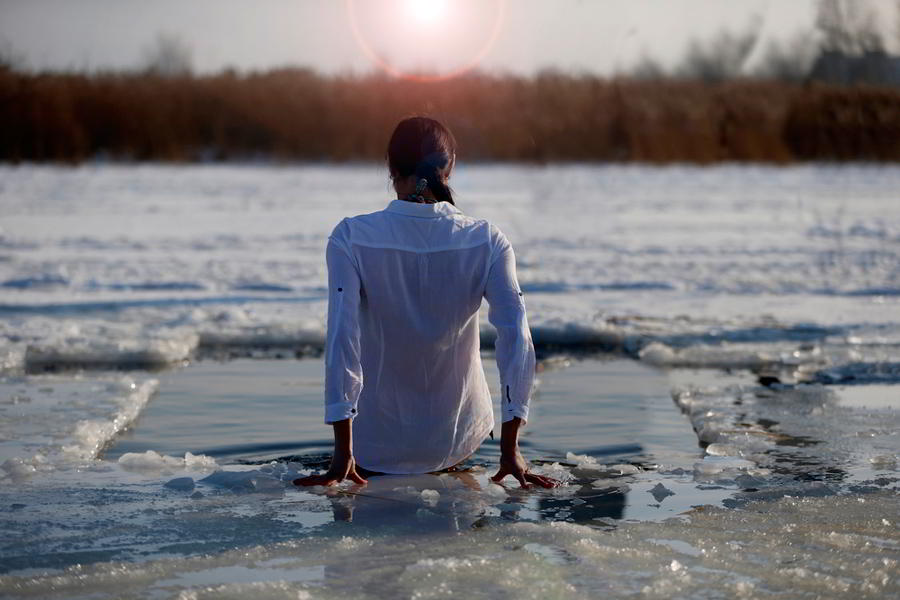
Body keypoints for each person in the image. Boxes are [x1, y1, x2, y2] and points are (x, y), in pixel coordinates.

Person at [294, 116, 557, 489]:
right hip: (458, 439)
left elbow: (342, 337)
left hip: (372, 446)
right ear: (449, 166)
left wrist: (344, 450)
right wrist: (511, 446)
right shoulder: (485, 240)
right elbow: (517, 337)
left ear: (390, 166)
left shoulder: (352, 237)